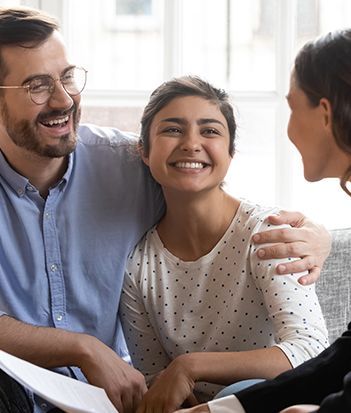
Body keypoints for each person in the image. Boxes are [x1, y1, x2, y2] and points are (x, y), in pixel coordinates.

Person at [0, 5, 331, 413]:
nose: (63, 99)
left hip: (109, 400)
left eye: (68, 77)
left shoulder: (129, 165)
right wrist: (82, 348)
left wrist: (319, 236)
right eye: (36, 86)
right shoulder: (141, 265)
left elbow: (209, 196)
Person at [119, 76, 329, 413]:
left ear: (230, 152)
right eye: (172, 130)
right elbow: (157, 380)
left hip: (271, 402)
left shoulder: (266, 234)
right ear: (143, 150)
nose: (191, 143)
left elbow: (310, 349)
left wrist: (191, 366)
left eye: (210, 131)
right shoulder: (137, 264)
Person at [175, 28, 351, 413]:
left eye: (292, 108)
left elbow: (317, 353)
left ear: (324, 113)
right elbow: (343, 359)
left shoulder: (267, 233)